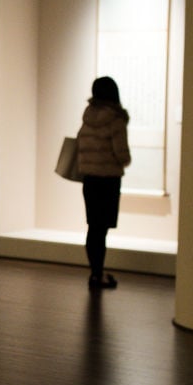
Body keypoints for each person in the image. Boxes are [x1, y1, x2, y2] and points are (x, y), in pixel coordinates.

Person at [76, 76, 131, 291]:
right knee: (102, 229)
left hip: (89, 180)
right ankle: (97, 275)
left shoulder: (87, 117)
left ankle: (95, 273)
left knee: (93, 228)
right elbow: (122, 154)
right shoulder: (116, 120)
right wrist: (124, 160)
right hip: (108, 180)